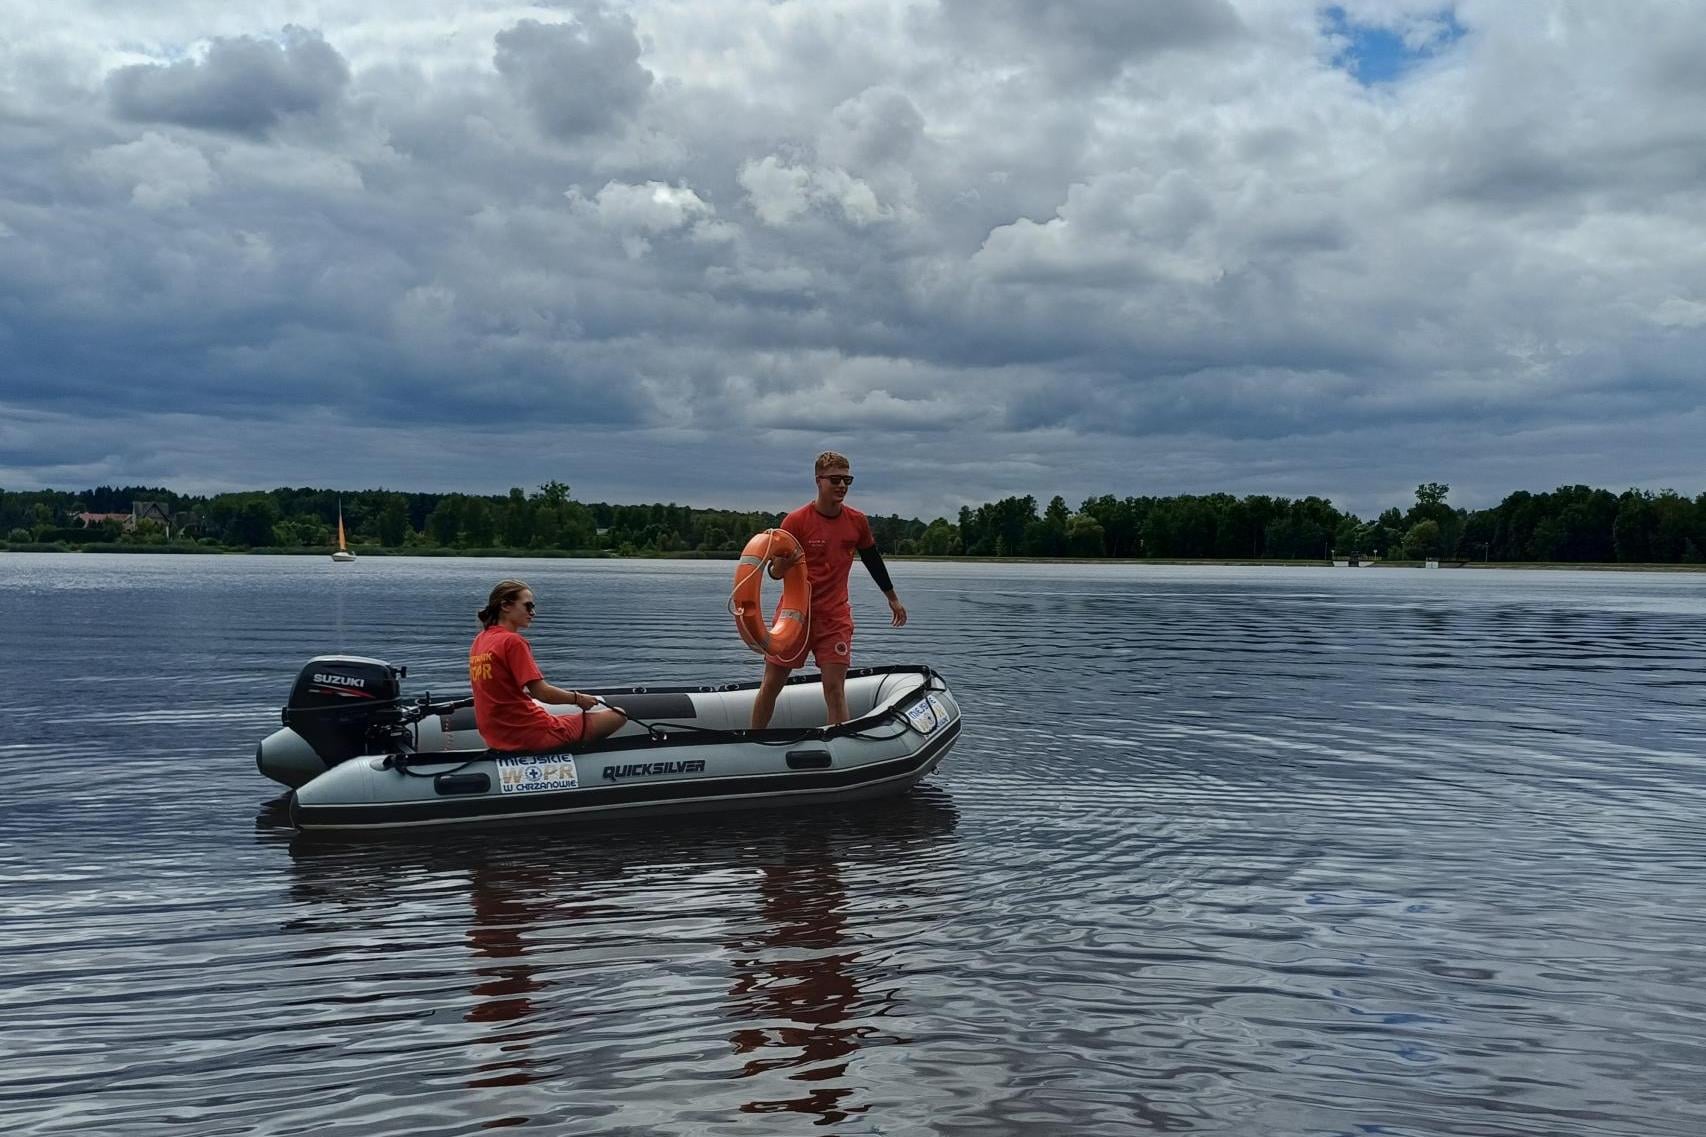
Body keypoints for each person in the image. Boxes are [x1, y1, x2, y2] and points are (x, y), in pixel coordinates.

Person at [750, 452, 908, 728]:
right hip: (795, 617)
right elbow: (774, 572)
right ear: (818, 481)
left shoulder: (857, 521)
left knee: (835, 689)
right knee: (772, 684)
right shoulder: (796, 521)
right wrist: (782, 566)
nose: (842, 485)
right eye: (835, 480)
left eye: (847, 480)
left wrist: (892, 598)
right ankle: (753, 740)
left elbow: (872, 559)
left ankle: (840, 744)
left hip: (834, 617)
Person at [468, 579, 627, 752]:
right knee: (618, 715)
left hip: (497, 737)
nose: (533, 613)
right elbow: (543, 693)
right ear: (506, 606)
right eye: (528, 606)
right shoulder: (513, 641)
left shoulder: (480, 640)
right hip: (531, 733)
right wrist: (579, 699)